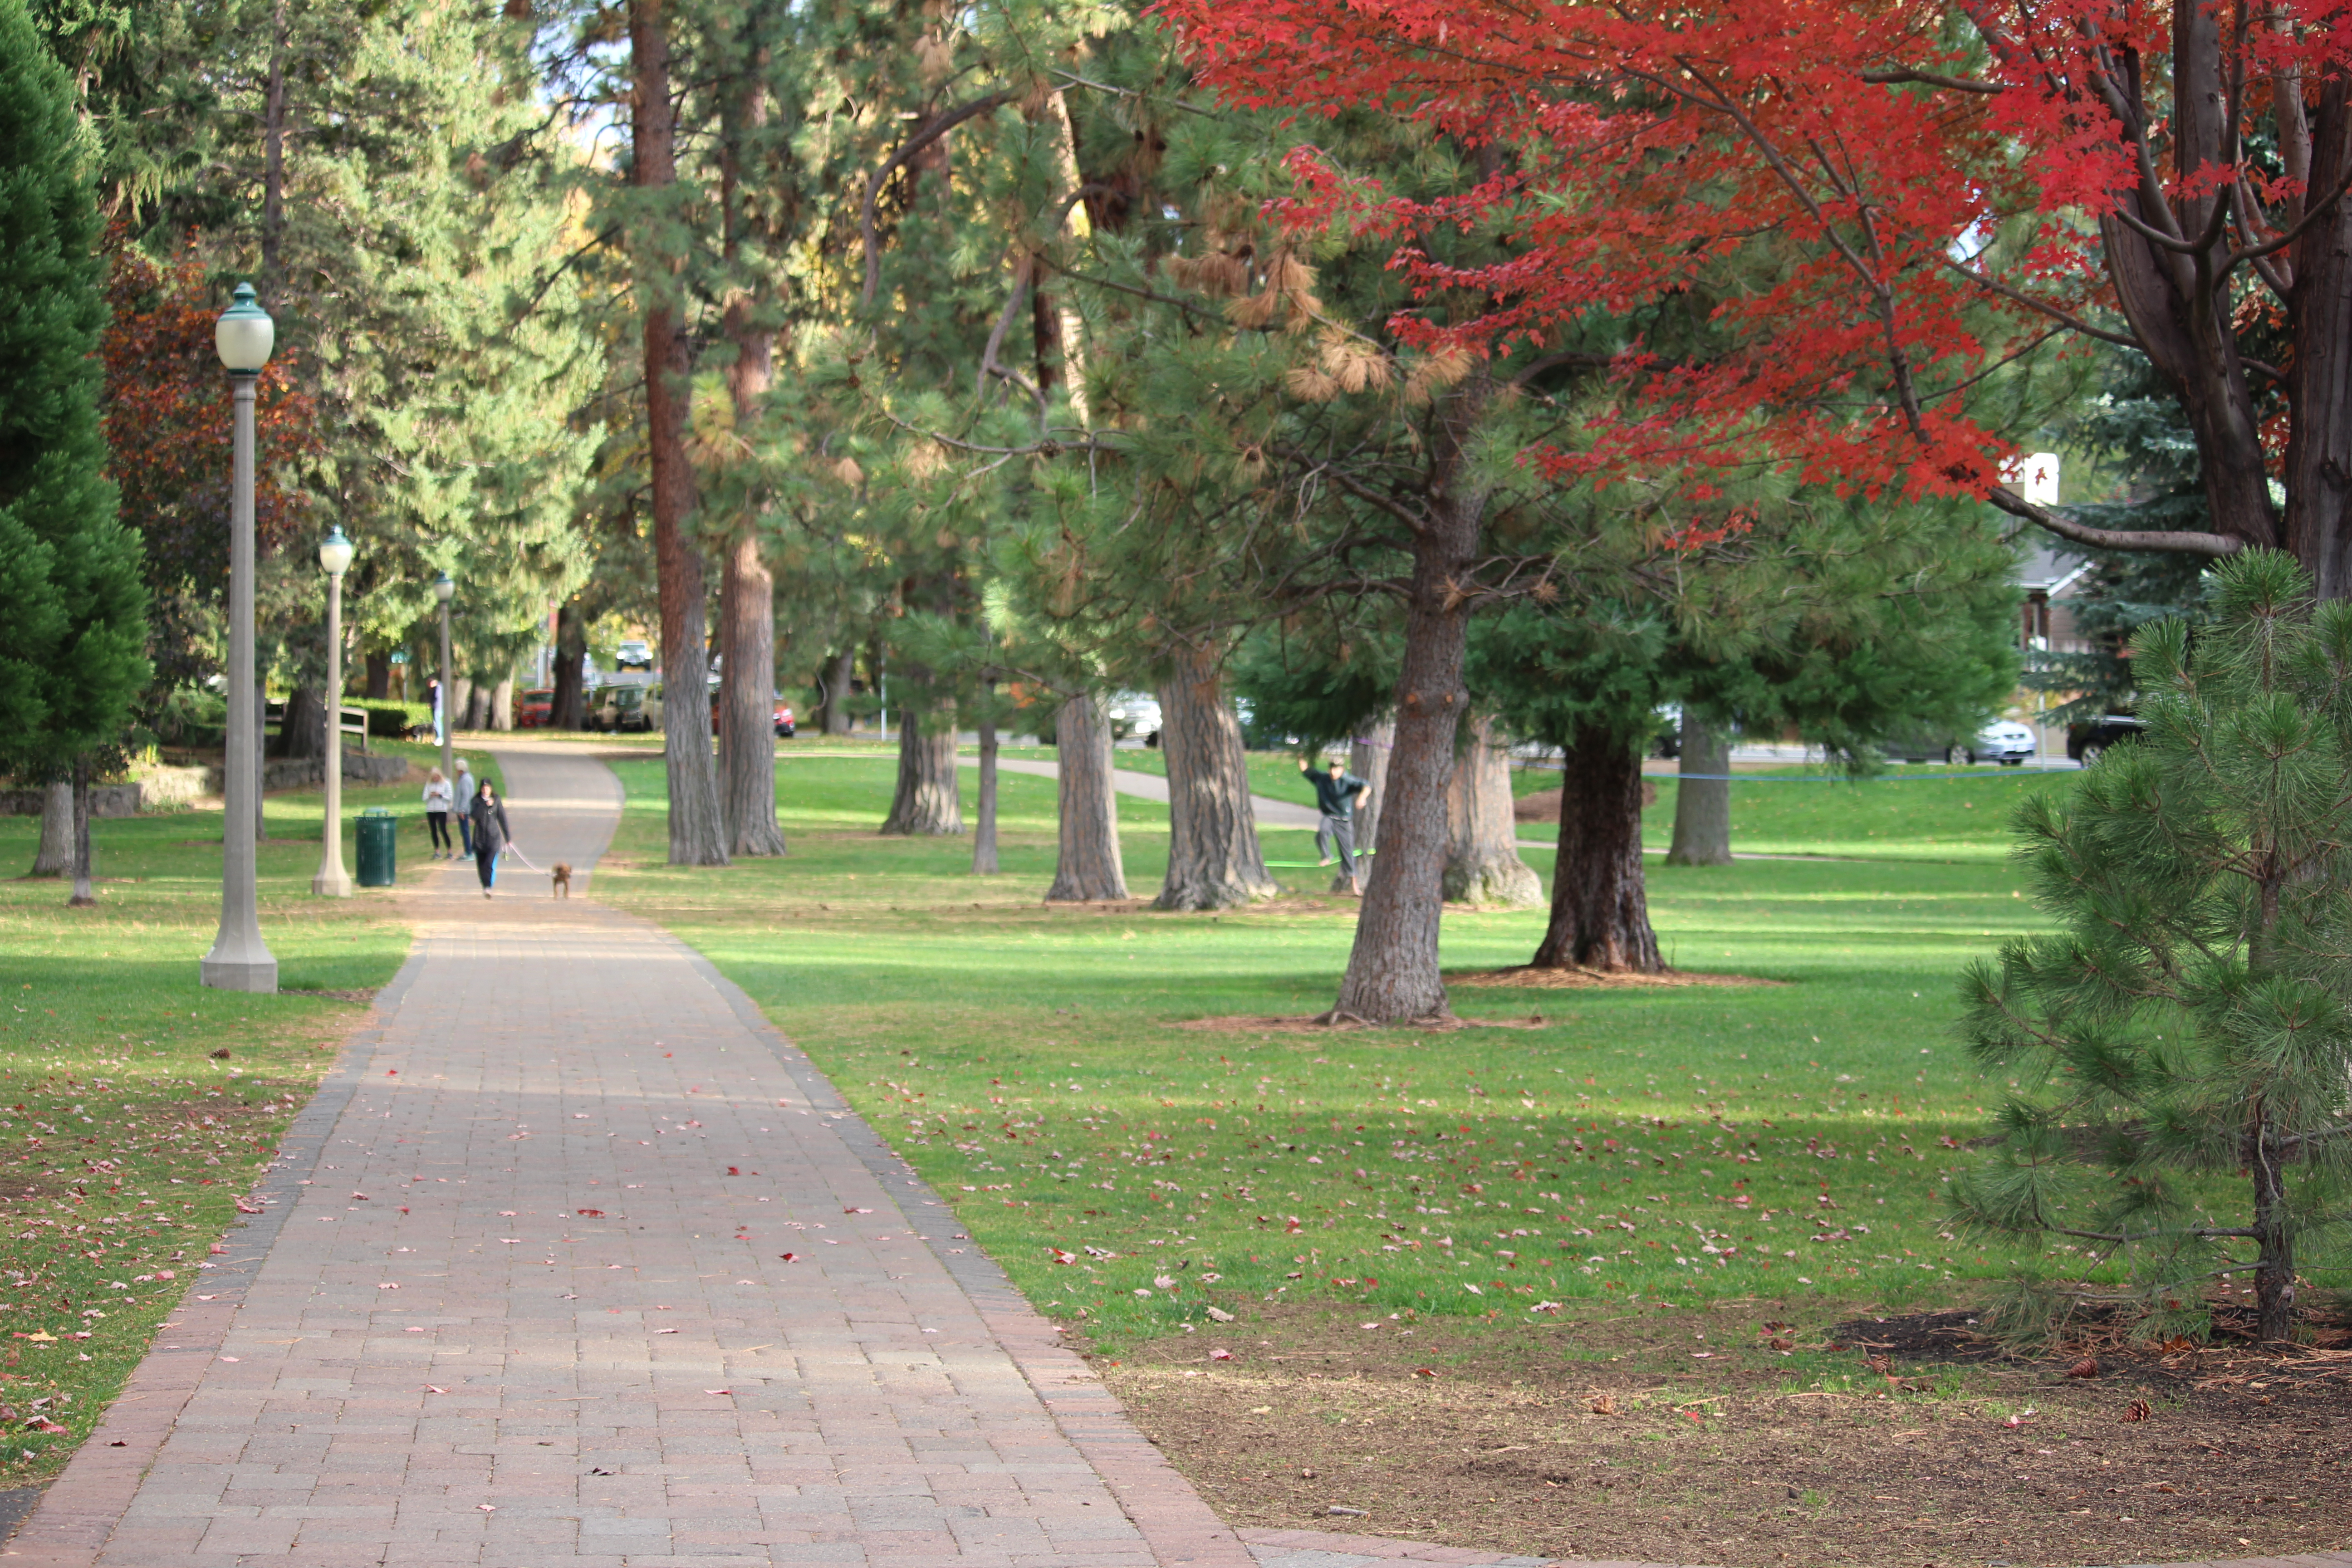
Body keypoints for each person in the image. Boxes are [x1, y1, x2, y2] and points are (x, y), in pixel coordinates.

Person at [1299, 752, 1370, 895]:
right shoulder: (1322, 779)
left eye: (1337, 769)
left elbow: (1367, 786)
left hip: (1344, 821)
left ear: (1342, 769)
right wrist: (1300, 756)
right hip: (1330, 817)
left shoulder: (1348, 781)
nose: (1333, 772)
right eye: (1331, 768)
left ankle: (1355, 887)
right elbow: (1305, 770)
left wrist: (1362, 798)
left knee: (1348, 853)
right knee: (1323, 832)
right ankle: (1326, 856)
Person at [469, 779, 511, 898]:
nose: (485, 790)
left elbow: (502, 818)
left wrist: (508, 837)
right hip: (479, 838)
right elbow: (474, 816)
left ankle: (488, 887)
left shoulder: (497, 800)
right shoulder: (476, 801)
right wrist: (484, 806)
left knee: (489, 864)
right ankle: (485, 885)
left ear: (491, 789)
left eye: (487, 788)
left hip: (493, 837)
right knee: (481, 865)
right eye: (483, 788)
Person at [421, 768, 454, 859]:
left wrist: (440, 795)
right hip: (431, 809)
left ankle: (450, 850)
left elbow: (450, 797)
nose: (435, 779)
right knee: (433, 830)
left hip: (442, 809)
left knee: (443, 829)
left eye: (437, 777)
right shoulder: (429, 784)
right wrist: (430, 796)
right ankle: (437, 851)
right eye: (434, 778)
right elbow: (424, 798)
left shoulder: (446, 783)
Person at [453, 757, 476, 856]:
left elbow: (466, 796)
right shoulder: (465, 778)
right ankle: (468, 850)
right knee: (464, 831)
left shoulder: (465, 780)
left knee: (465, 831)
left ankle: (469, 851)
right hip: (463, 809)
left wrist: (462, 810)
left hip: (464, 810)